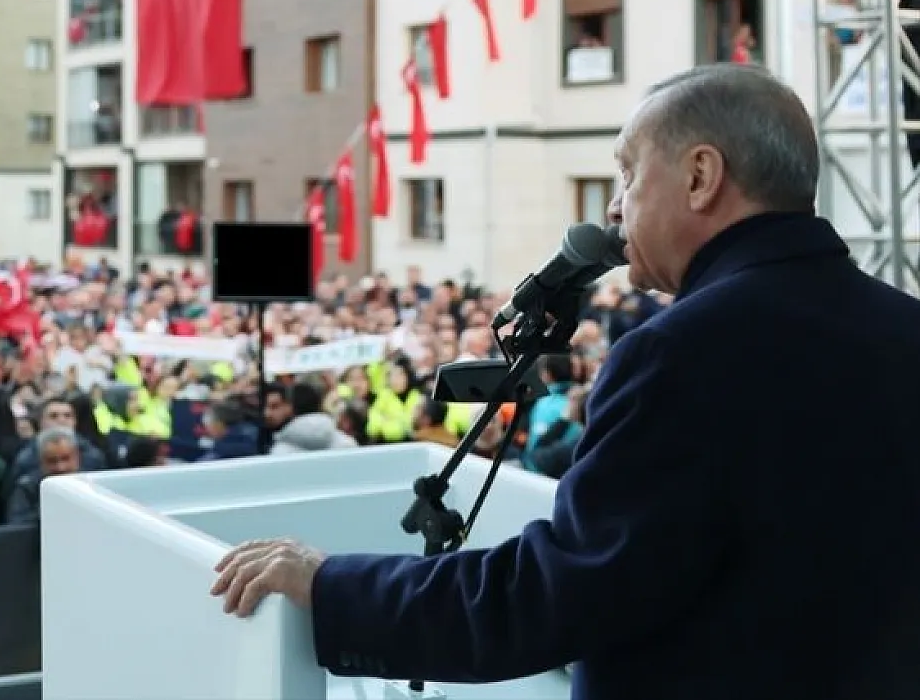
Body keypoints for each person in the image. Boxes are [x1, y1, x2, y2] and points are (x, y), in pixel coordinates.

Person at [209, 64, 920, 698]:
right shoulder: (904, 326)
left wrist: (331, 585)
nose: (614, 208)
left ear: (701, 177)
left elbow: (558, 595)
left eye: (629, 174)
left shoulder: (679, 353)